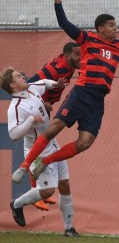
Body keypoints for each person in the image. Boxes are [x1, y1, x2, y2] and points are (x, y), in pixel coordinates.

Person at [11, 0, 119, 184]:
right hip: (82, 92)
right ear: (101, 28)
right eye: (112, 25)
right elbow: (64, 23)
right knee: (54, 129)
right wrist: (58, 1)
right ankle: (24, 165)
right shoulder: (87, 39)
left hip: (97, 100)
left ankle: (46, 161)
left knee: (85, 143)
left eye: (116, 25)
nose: (116, 28)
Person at [0, 69, 79, 237]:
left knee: (64, 184)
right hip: (37, 151)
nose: (22, 75)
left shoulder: (31, 88)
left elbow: (44, 83)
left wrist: (56, 84)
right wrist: (30, 120)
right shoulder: (15, 107)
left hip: (52, 143)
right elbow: (13, 135)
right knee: (48, 191)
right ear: (13, 85)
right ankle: (17, 204)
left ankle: (69, 228)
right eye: (18, 76)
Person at [23, 42, 81, 211]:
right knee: (37, 148)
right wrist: (43, 102)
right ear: (67, 56)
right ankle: (36, 192)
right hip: (36, 111)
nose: (81, 58)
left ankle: (38, 192)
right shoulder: (55, 70)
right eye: (78, 54)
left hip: (43, 110)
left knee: (40, 147)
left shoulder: (70, 64)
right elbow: (29, 86)